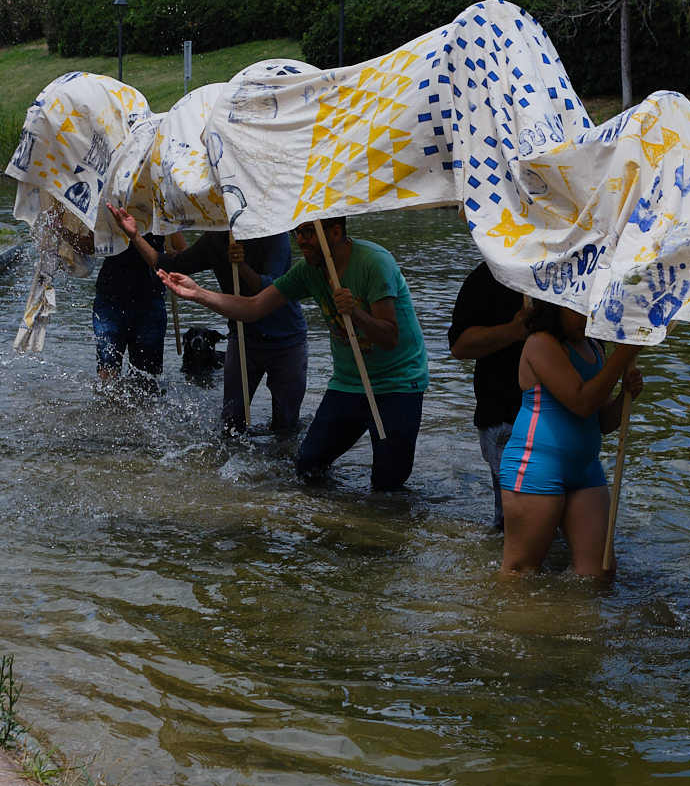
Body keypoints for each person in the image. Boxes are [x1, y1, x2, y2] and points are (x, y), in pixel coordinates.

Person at [159, 216, 429, 492]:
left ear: (335, 233)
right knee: (308, 466)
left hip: (398, 383)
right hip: (348, 383)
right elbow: (253, 307)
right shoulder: (309, 270)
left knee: (388, 484)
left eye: (309, 233)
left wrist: (356, 313)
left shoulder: (375, 262)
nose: (300, 241)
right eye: (297, 232)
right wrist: (199, 293)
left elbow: (390, 338)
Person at [104, 204, 308, 434]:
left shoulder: (274, 236)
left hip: (286, 341)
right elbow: (168, 265)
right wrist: (135, 236)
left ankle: (282, 468)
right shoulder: (214, 239)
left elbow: (267, 291)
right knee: (231, 425)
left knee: (286, 427)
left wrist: (241, 266)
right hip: (243, 338)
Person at [497, 301, 642, 578]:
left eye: (594, 308)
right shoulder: (540, 342)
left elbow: (603, 422)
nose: (588, 317)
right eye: (580, 308)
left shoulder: (594, 348)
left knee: (600, 573)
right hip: (536, 467)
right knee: (522, 573)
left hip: (585, 472)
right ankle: (505, 622)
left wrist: (626, 395)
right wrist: (623, 354)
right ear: (556, 306)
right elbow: (581, 402)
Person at [448, 260, 532, 530]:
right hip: (505, 417)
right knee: (516, 525)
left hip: (562, 417)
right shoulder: (489, 275)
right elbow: (460, 346)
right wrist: (512, 330)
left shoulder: (572, 273)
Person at [90, 216, 184, 389]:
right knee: (107, 369)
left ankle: (141, 415)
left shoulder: (161, 211)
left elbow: (182, 250)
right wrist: (63, 230)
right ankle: (107, 413)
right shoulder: (111, 207)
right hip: (110, 299)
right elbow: (89, 246)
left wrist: (174, 258)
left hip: (149, 299)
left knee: (147, 379)